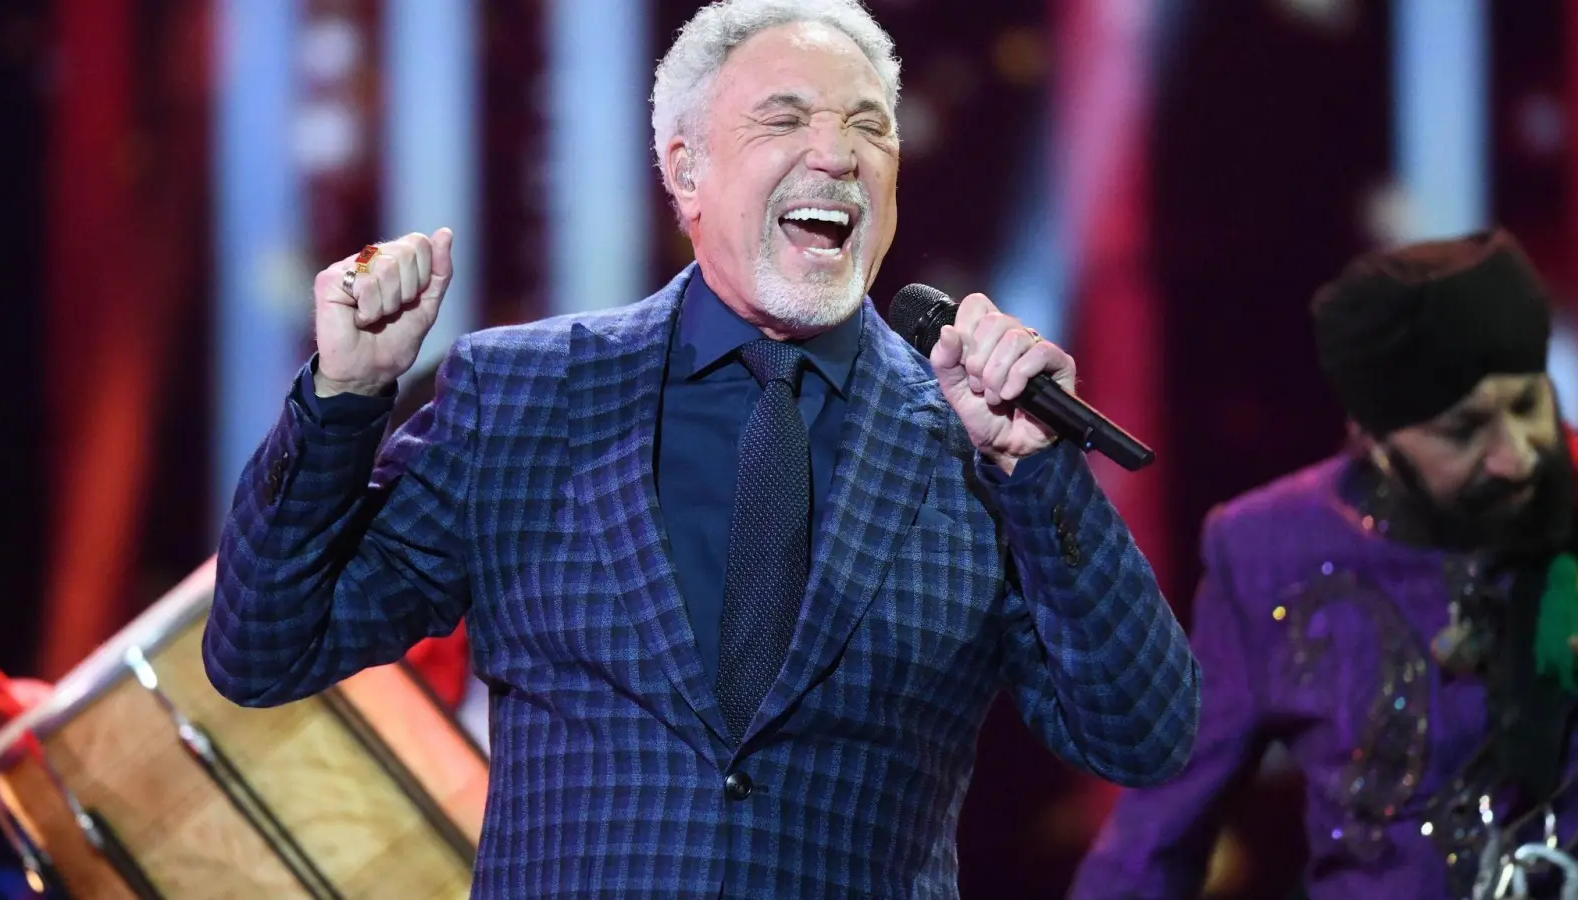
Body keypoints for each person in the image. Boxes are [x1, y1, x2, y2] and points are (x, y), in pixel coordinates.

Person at [202, 1, 1199, 896]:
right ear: (685, 165)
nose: (838, 153)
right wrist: (343, 397)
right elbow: (264, 647)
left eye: (868, 124)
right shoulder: (527, 394)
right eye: (785, 117)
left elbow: (1144, 735)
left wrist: (1040, 475)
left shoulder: (971, 444)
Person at [1068, 229, 1578, 900]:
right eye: (1464, 431)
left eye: (1527, 405)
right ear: (1373, 435)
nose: (1516, 454)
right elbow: (1152, 844)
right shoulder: (1267, 552)